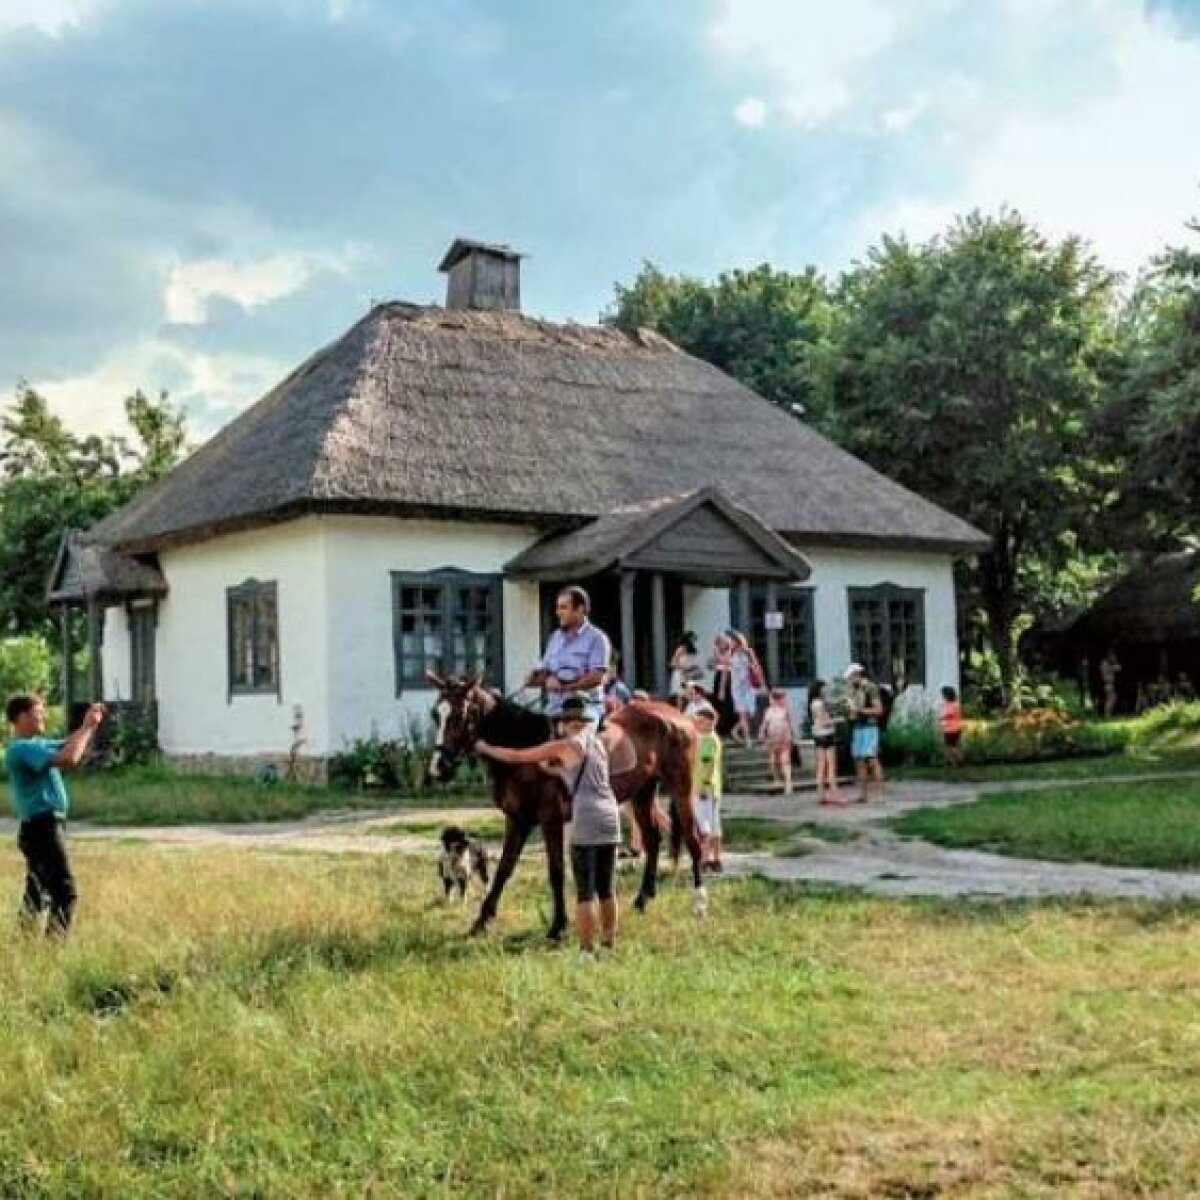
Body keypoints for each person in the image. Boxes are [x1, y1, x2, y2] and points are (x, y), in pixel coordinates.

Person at [475, 696, 621, 954]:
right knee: (606, 889)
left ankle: (587, 950)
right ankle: (609, 944)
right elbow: (573, 772)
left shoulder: (564, 746)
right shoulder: (597, 744)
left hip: (585, 818)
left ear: (565, 724)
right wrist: (551, 769)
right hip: (610, 817)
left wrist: (485, 748)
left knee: (585, 892)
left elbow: (517, 755)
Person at [5, 695, 106, 937]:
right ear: (21, 717)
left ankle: (23, 945)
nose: (44, 717)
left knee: (37, 893)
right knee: (65, 891)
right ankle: (53, 948)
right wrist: (89, 727)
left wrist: (85, 726)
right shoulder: (22, 748)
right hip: (42, 828)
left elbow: (67, 743)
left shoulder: (35, 744)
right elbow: (69, 758)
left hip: (40, 828)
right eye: (39, 712)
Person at [529, 586, 612, 726]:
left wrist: (564, 687)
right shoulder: (555, 638)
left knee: (576, 744)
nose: (557, 612)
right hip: (554, 711)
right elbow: (543, 670)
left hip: (585, 710)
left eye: (563, 608)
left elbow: (596, 677)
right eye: (557, 607)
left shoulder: (597, 638)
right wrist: (546, 678)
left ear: (580, 609)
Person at [845, 663, 885, 803]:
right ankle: (863, 795)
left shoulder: (870, 688)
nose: (849, 681)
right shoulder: (854, 690)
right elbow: (853, 710)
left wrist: (860, 711)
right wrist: (850, 713)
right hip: (858, 727)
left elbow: (879, 710)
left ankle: (880, 795)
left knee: (872, 759)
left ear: (857, 674)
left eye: (850, 678)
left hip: (869, 727)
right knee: (859, 761)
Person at [693, 702, 724, 873]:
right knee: (714, 825)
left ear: (710, 722)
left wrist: (704, 785)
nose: (697, 725)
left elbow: (709, 763)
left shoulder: (710, 740)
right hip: (710, 787)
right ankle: (716, 859)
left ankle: (704, 859)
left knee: (705, 826)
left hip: (705, 788)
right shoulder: (706, 739)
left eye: (700, 722)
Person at [808, 679, 844, 805]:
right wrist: (839, 720)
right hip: (826, 735)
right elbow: (824, 722)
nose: (826, 690)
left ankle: (821, 795)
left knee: (821, 766)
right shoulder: (819, 704)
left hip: (818, 735)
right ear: (819, 689)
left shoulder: (814, 703)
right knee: (831, 767)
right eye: (824, 688)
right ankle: (835, 795)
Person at [728, 630, 762, 747]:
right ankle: (748, 740)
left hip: (748, 686)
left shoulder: (748, 652)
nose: (730, 643)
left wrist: (760, 681)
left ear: (738, 641)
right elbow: (728, 666)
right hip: (737, 687)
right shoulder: (730, 653)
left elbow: (757, 666)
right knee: (742, 713)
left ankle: (734, 730)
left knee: (750, 713)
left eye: (732, 640)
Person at [759, 688, 795, 795]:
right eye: (775, 698)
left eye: (780, 698)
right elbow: (765, 724)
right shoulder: (769, 711)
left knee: (785, 761)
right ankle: (777, 779)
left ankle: (788, 783)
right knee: (774, 760)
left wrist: (792, 736)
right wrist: (761, 733)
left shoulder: (785, 710)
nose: (777, 701)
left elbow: (790, 724)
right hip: (772, 739)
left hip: (784, 739)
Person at [708, 633, 736, 736]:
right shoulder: (719, 653)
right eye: (718, 643)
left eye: (721, 643)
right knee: (718, 703)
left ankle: (726, 728)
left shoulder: (729, 653)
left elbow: (725, 667)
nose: (720, 645)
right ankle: (721, 727)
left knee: (726, 703)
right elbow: (710, 665)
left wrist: (722, 688)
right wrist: (715, 660)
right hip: (719, 678)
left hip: (726, 679)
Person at [668, 632, 703, 708]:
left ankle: (690, 711)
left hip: (690, 674)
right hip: (680, 674)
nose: (693, 640)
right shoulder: (681, 649)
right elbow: (672, 663)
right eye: (692, 638)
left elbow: (695, 663)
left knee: (691, 692)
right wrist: (683, 668)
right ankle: (679, 712)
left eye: (694, 638)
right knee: (680, 694)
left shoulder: (694, 650)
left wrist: (694, 669)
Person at [940, 685, 965, 768]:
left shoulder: (954, 705)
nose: (943, 696)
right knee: (950, 746)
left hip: (952, 729)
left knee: (950, 746)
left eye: (943, 694)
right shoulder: (950, 704)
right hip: (950, 728)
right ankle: (953, 763)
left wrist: (942, 717)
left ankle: (959, 760)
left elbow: (949, 714)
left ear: (947, 695)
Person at [1100, 650, 1121, 718]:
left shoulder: (1107, 664)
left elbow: (1118, 668)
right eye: (1112, 656)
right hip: (1108, 683)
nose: (1113, 658)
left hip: (1109, 683)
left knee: (1111, 699)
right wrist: (1114, 663)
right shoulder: (1105, 664)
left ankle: (1108, 714)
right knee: (1111, 699)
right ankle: (1107, 714)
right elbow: (1117, 668)